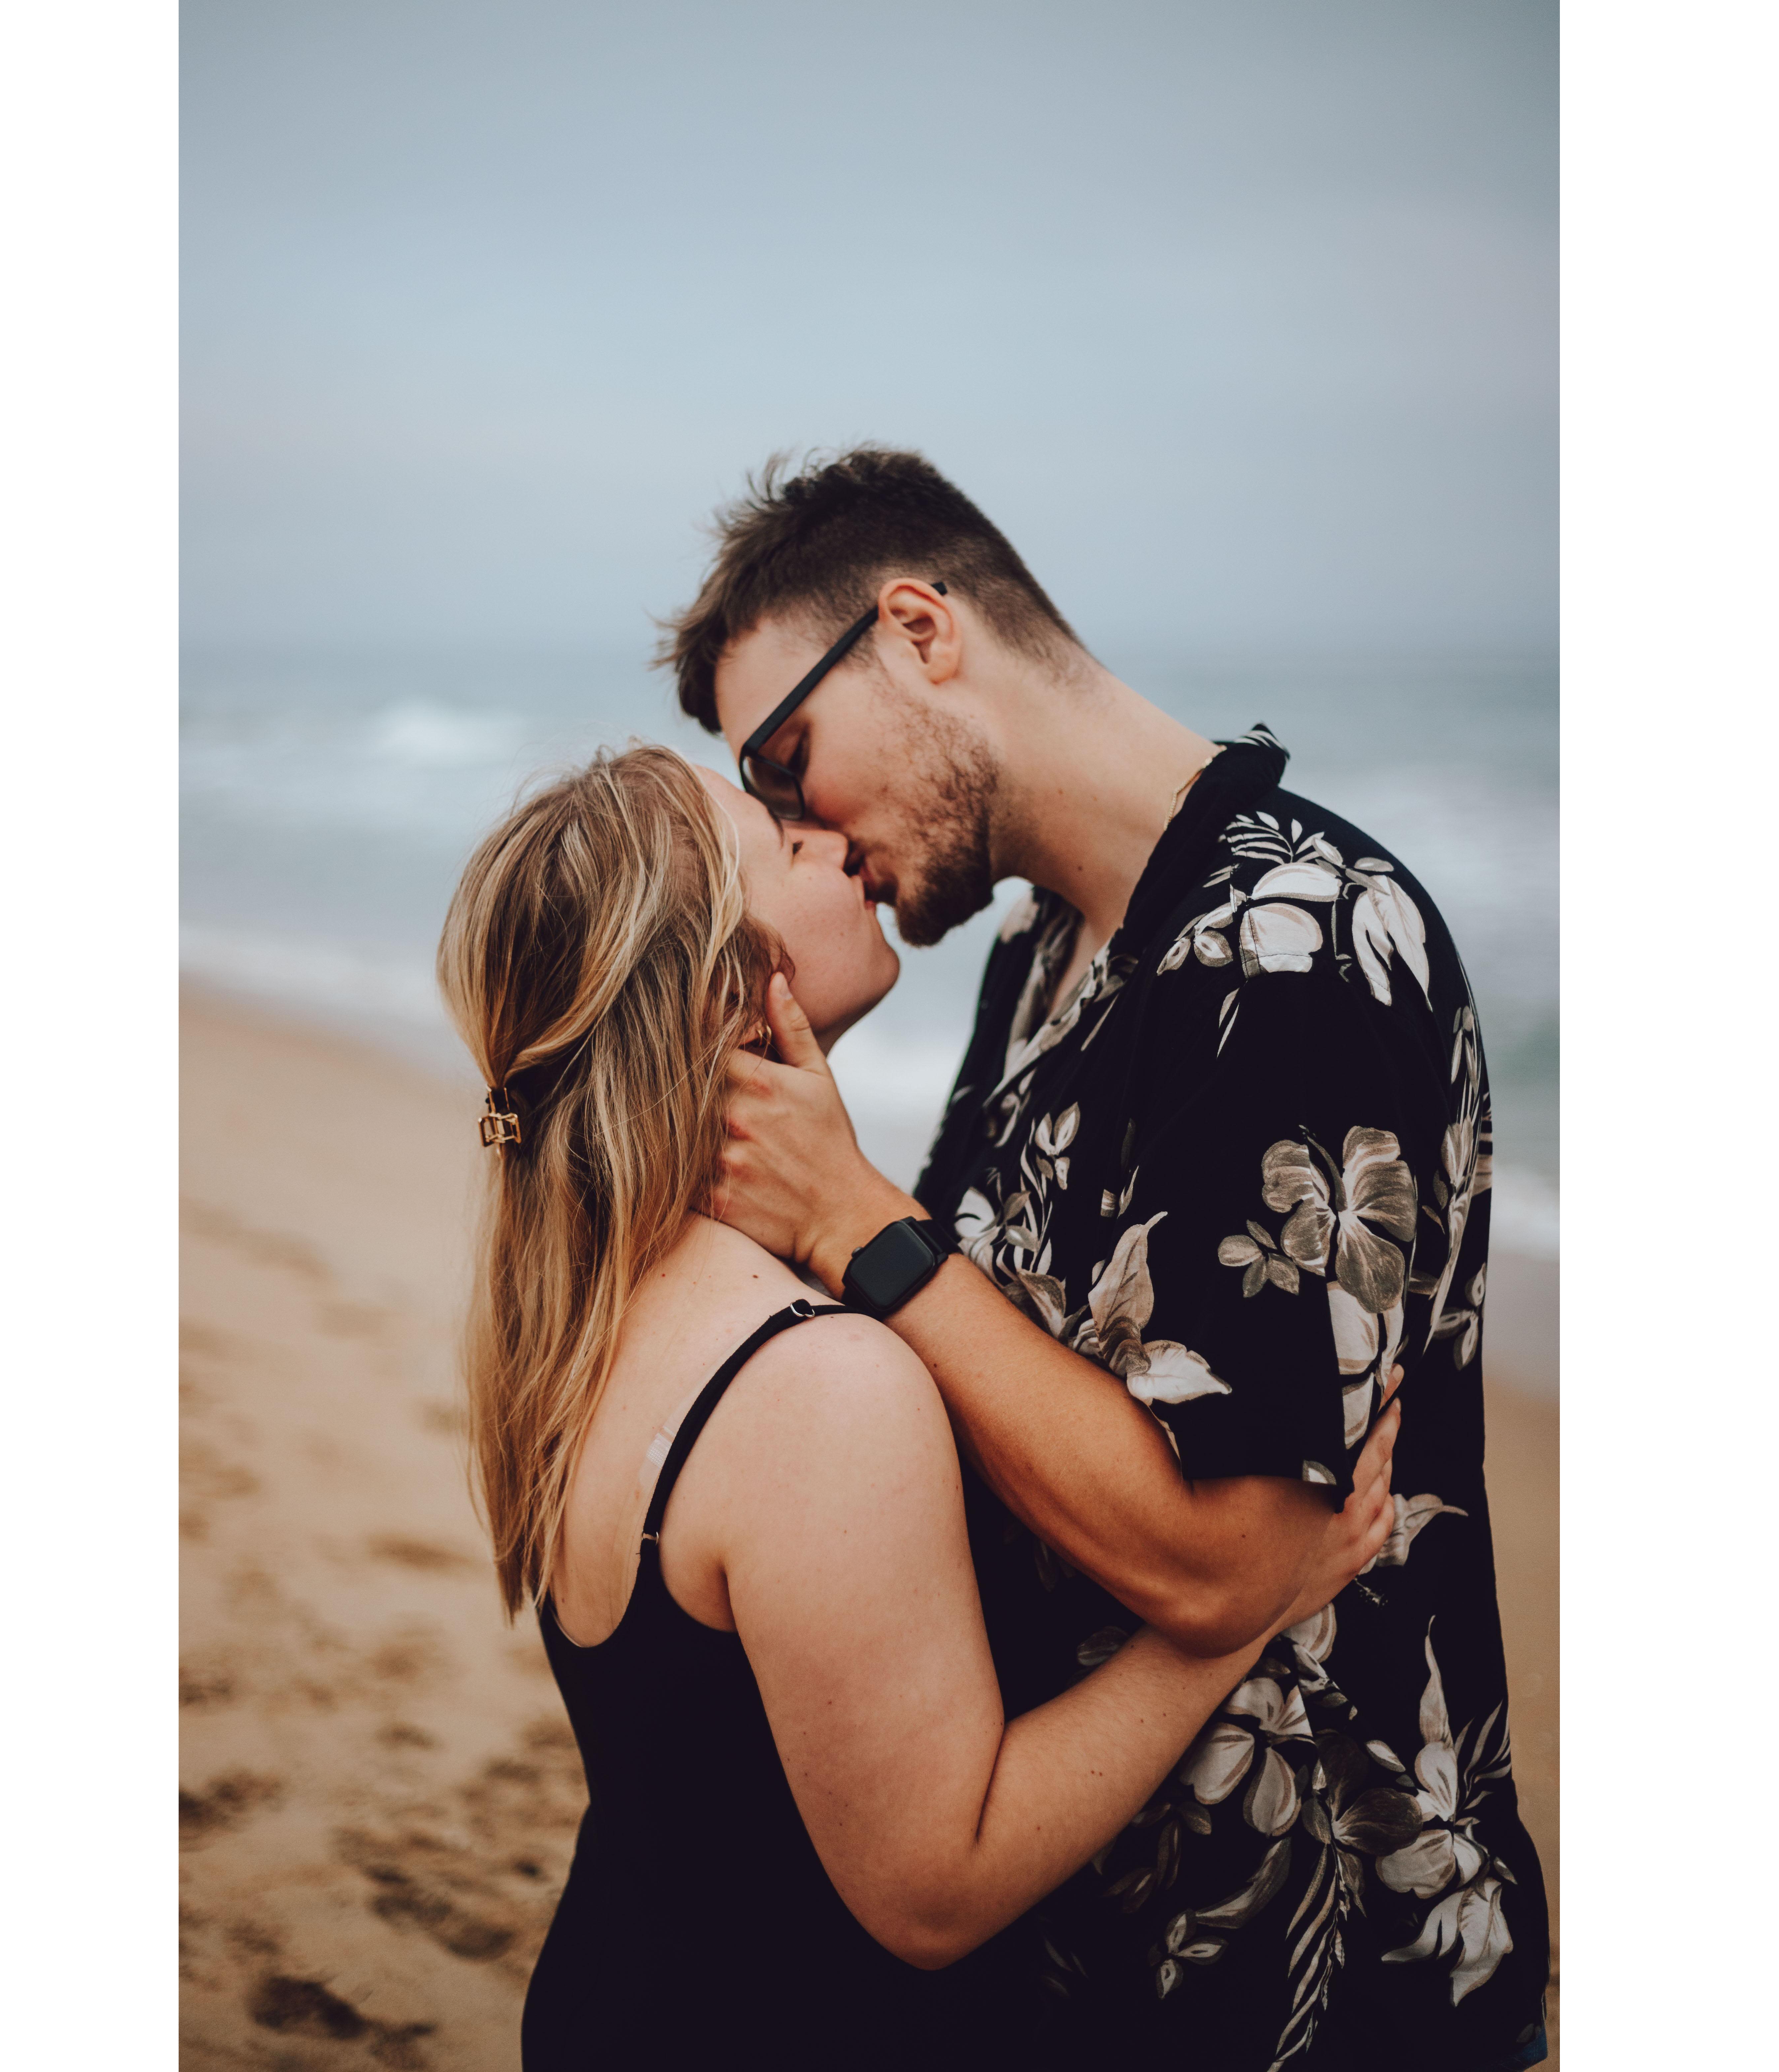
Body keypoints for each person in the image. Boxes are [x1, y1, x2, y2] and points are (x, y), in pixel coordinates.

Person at [667, 447, 1550, 2071]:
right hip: (1082, 1953)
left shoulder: (1292, 954)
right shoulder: (1045, 950)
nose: (804, 832)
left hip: (1314, 1982)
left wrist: (860, 1224)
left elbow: (1218, 1565)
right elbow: (981, 1373)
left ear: (919, 631)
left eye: (790, 762)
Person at [436, 743, 1400, 2070]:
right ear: (732, 991)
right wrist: (1246, 1602)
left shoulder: (590, 1298)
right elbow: (936, 1888)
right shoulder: (812, 1386)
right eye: (785, 843)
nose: (831, 838)